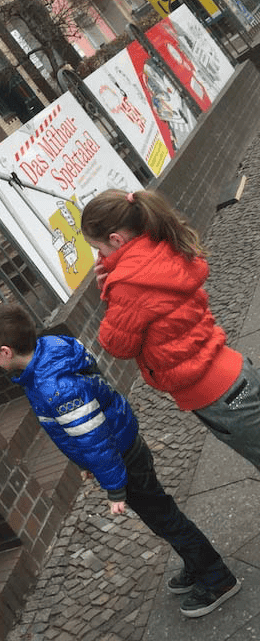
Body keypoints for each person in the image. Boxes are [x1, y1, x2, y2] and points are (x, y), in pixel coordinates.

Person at [0, 303, 240, 617]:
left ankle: (217, 578)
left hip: (121, 456)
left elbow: (94, 437)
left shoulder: (54, 387)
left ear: (5, 352)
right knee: (161, 514)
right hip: (124, 441)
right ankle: (197, 563)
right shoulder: (51, 349)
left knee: (164, 517)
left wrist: (115, 487)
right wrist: (86, 464)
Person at [81, 188, 260, 473]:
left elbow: (117, 345)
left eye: (98, 248)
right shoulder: (161, 244)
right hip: (234, 372)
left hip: (220, 396)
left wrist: (109, 291)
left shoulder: (127, 283)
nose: (99, 256)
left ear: (116, 240)